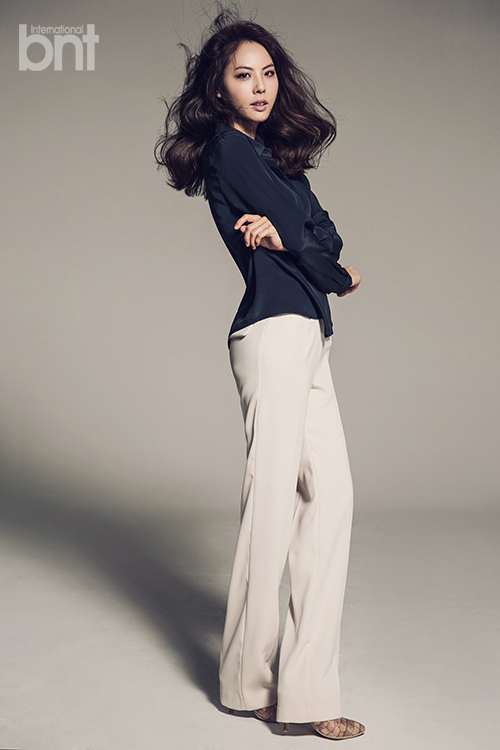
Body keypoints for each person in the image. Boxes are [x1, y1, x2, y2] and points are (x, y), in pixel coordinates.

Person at [154, 6, 364, 741]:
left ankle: (301, 688)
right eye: (244, 76)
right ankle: (248, 682)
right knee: (271, 503)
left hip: (308, 333)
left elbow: (323, 233)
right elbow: (325, 254)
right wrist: (321, 263)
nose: (261, 86)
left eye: (268, 73)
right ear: (220, 89)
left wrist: (303, 244)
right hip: (273, 331)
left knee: (331, 498)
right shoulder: (228, 151)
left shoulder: (275, 159)